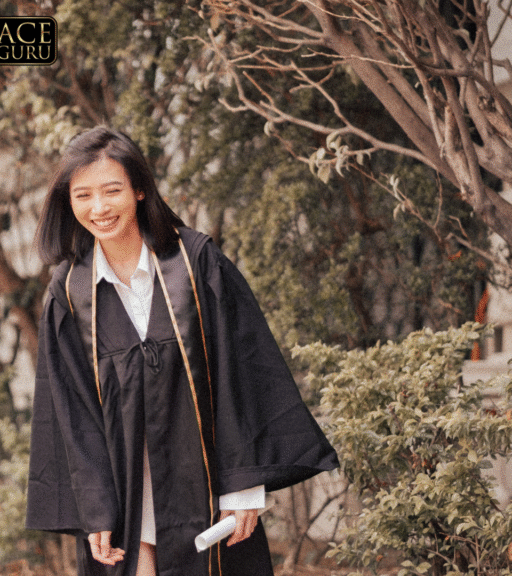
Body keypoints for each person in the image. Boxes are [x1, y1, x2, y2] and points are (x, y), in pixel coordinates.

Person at [26, 127, 339, 576]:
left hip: (203, 483)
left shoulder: (195, 265)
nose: (99, 208)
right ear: (67, 202)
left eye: (112, 191)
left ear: (138, 190)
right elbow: (72, 411)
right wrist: (94, 508)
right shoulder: (70, 293)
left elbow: (243, 372)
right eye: (83, 196)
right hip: (127, 491)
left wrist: (242, 486)